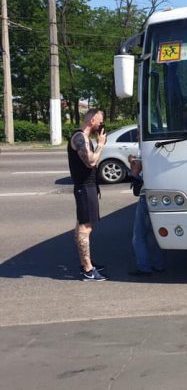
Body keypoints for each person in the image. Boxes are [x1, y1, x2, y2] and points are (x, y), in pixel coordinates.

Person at [68, 108, 108, 281]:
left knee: (81, 226)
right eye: (100, 121)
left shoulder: (84, 138)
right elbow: (91, 161)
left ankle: (87, 263)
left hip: (88, 187)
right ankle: (88, 270)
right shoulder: (79, 137)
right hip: (84, 188)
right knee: (85, 228)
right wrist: (101, 144)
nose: (101, 125)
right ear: (92, 121)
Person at [127, 154, 166, 276]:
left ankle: (144, 267)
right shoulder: (162, 152)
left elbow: (134, 175)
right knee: (156, 234)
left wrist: (133, 163)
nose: (138, 138)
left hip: (146, 196)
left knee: (139, 236)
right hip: (162, 194)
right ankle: (158, 265)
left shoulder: (144, 153)